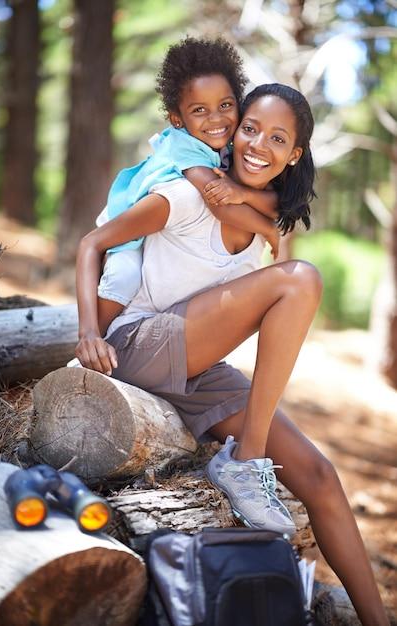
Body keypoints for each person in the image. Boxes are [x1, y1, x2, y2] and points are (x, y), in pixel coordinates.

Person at [75, 83, 389, 625]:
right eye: (249, 128)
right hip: (136, 345)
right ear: (233, 131)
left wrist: (259, 213)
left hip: (196, 366)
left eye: (276, 138)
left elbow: (268, 219)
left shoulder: (267, 222)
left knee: (319, 476)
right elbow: (92, 242)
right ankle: (248, 460)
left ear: (294, 154)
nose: (257, 144)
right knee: (298, 280)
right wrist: (87, 331)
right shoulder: (185, 195)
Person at [96, 37, 287, 337]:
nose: (216, 118)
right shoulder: (185, 148)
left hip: (156, 226)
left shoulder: (221, 143)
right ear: (177, 119)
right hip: (125, 222)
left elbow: (269, 200)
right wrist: (268, 229)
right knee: (125, 278)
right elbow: (220, 205)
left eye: (225, 105)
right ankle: (98, 338)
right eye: (200, 110)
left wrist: (246, 195)